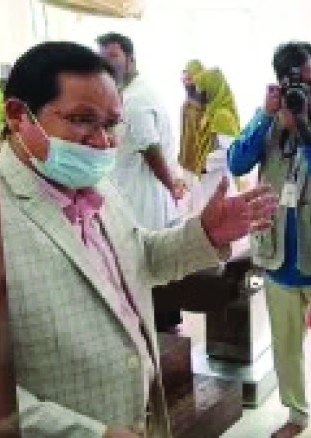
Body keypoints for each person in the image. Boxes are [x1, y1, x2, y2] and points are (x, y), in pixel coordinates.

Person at [0, 41, 276, 438]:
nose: (102, 142)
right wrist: (90, 434)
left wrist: (204, 234)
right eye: (82, 120)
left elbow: (138, 257)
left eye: (111, 124)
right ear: (18, 116)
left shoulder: (98, 183)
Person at [228, 40, 311, 438]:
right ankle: (296, 415)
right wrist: (265, 117)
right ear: (281, 83)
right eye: (298, 84)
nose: (307, 92)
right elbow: (237, 162)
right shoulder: (269, 119)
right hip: (278, 255)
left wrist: (305, 132)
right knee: (285, 347)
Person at [97, 32, 185, 332]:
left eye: (113, 56)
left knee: (146, 272)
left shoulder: (133, 100)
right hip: (146, 196)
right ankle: (163, 327)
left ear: (130, 58)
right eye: (102, 57)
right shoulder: (140, 90)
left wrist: (171, 186)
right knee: (155, 271)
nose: (107, 63)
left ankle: (160, 333)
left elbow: (151, 149)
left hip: (141, 201)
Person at [192, 67, 241, 175]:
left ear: (211, 90)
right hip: (210, 176)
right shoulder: (210, 113)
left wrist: (206, 165)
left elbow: (231, 152)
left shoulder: (221, 116)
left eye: (201, 89)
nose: (198, 94)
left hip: (220, 177)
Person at [178, 59, 206, 180]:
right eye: (184, 79)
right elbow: (184, 136)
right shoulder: (186, 105)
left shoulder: (209, 104)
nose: (185, 83)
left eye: (189, 79)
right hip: (187, 163)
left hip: (205, 165)